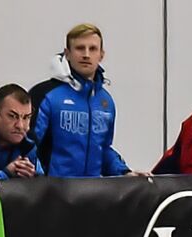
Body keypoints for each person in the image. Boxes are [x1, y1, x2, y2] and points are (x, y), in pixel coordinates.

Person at [29, 24, 131, 177]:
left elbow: (103, 149)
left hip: (94, 194)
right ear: (67, 54)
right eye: (80, 48)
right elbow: (27, 145)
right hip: (53, 193)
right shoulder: (45, 94)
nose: (86, 55)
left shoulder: (105, 101)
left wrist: (125, 172)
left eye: (93, 49)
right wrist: (41, 182)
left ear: (101, 55)